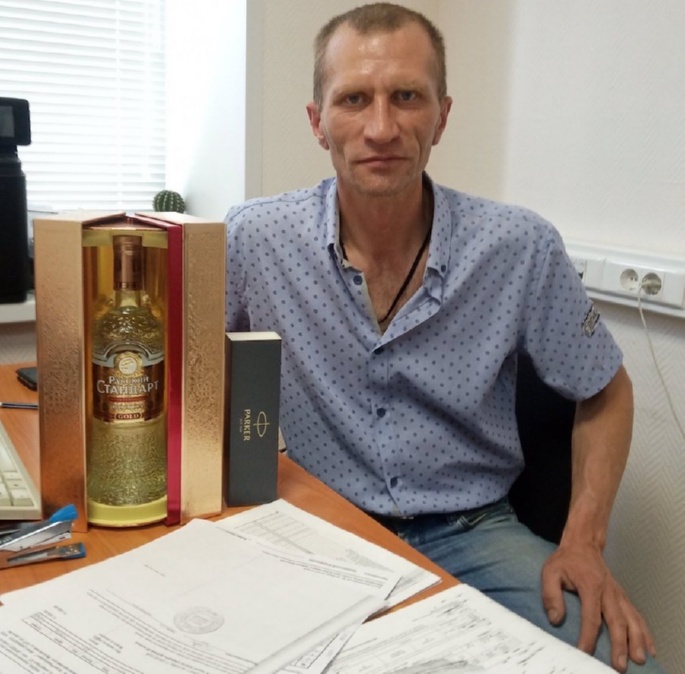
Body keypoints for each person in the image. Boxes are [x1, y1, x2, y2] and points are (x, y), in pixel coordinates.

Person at [225, 4, 663, 672]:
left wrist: (583, 540)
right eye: (353, 99)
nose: (381, 127)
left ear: (442, 115)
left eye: (406, 96)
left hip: (473, 531)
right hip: (321, 528)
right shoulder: (255, 239)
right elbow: (192, 379)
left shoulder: (517, 246)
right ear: (317, 122)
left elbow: (605, 390)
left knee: (622, 664)